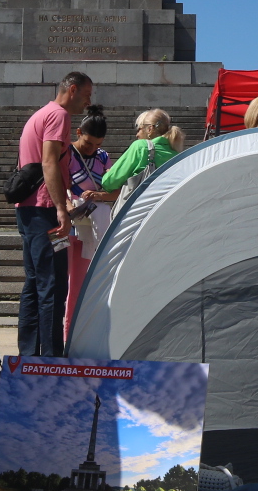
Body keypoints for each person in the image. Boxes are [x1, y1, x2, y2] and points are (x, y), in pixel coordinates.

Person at [17, 71, 94, 358]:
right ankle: (51, 359)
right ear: (72, 90)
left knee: (35, 282)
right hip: (45, 210)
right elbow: (49, 162)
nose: (89, 101)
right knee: (53, 284)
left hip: (28, 210)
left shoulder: (42, 114)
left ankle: (29, 355)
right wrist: (61, 208)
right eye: (87, 94)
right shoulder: (58, 116)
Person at [61, 106, 113, 339]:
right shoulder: (67, 153)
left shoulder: (103, 157)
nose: (93, 149)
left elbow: (114, 189)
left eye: (97, 144)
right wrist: (68, 203)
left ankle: (83, 332)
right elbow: (58, 183)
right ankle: (67, 334)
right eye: (88, 143)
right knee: (70, 284)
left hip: (94, 227)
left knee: (85, 283)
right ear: (78, 132)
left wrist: (99, 196)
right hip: (70, 224)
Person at [101, 108, 177, 204]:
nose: (137, 135)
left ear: (150, 129)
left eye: (139, 129)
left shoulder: (141, 147)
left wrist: (108, 173)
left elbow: (109, 182)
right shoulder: (177, 155)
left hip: (140, 213)